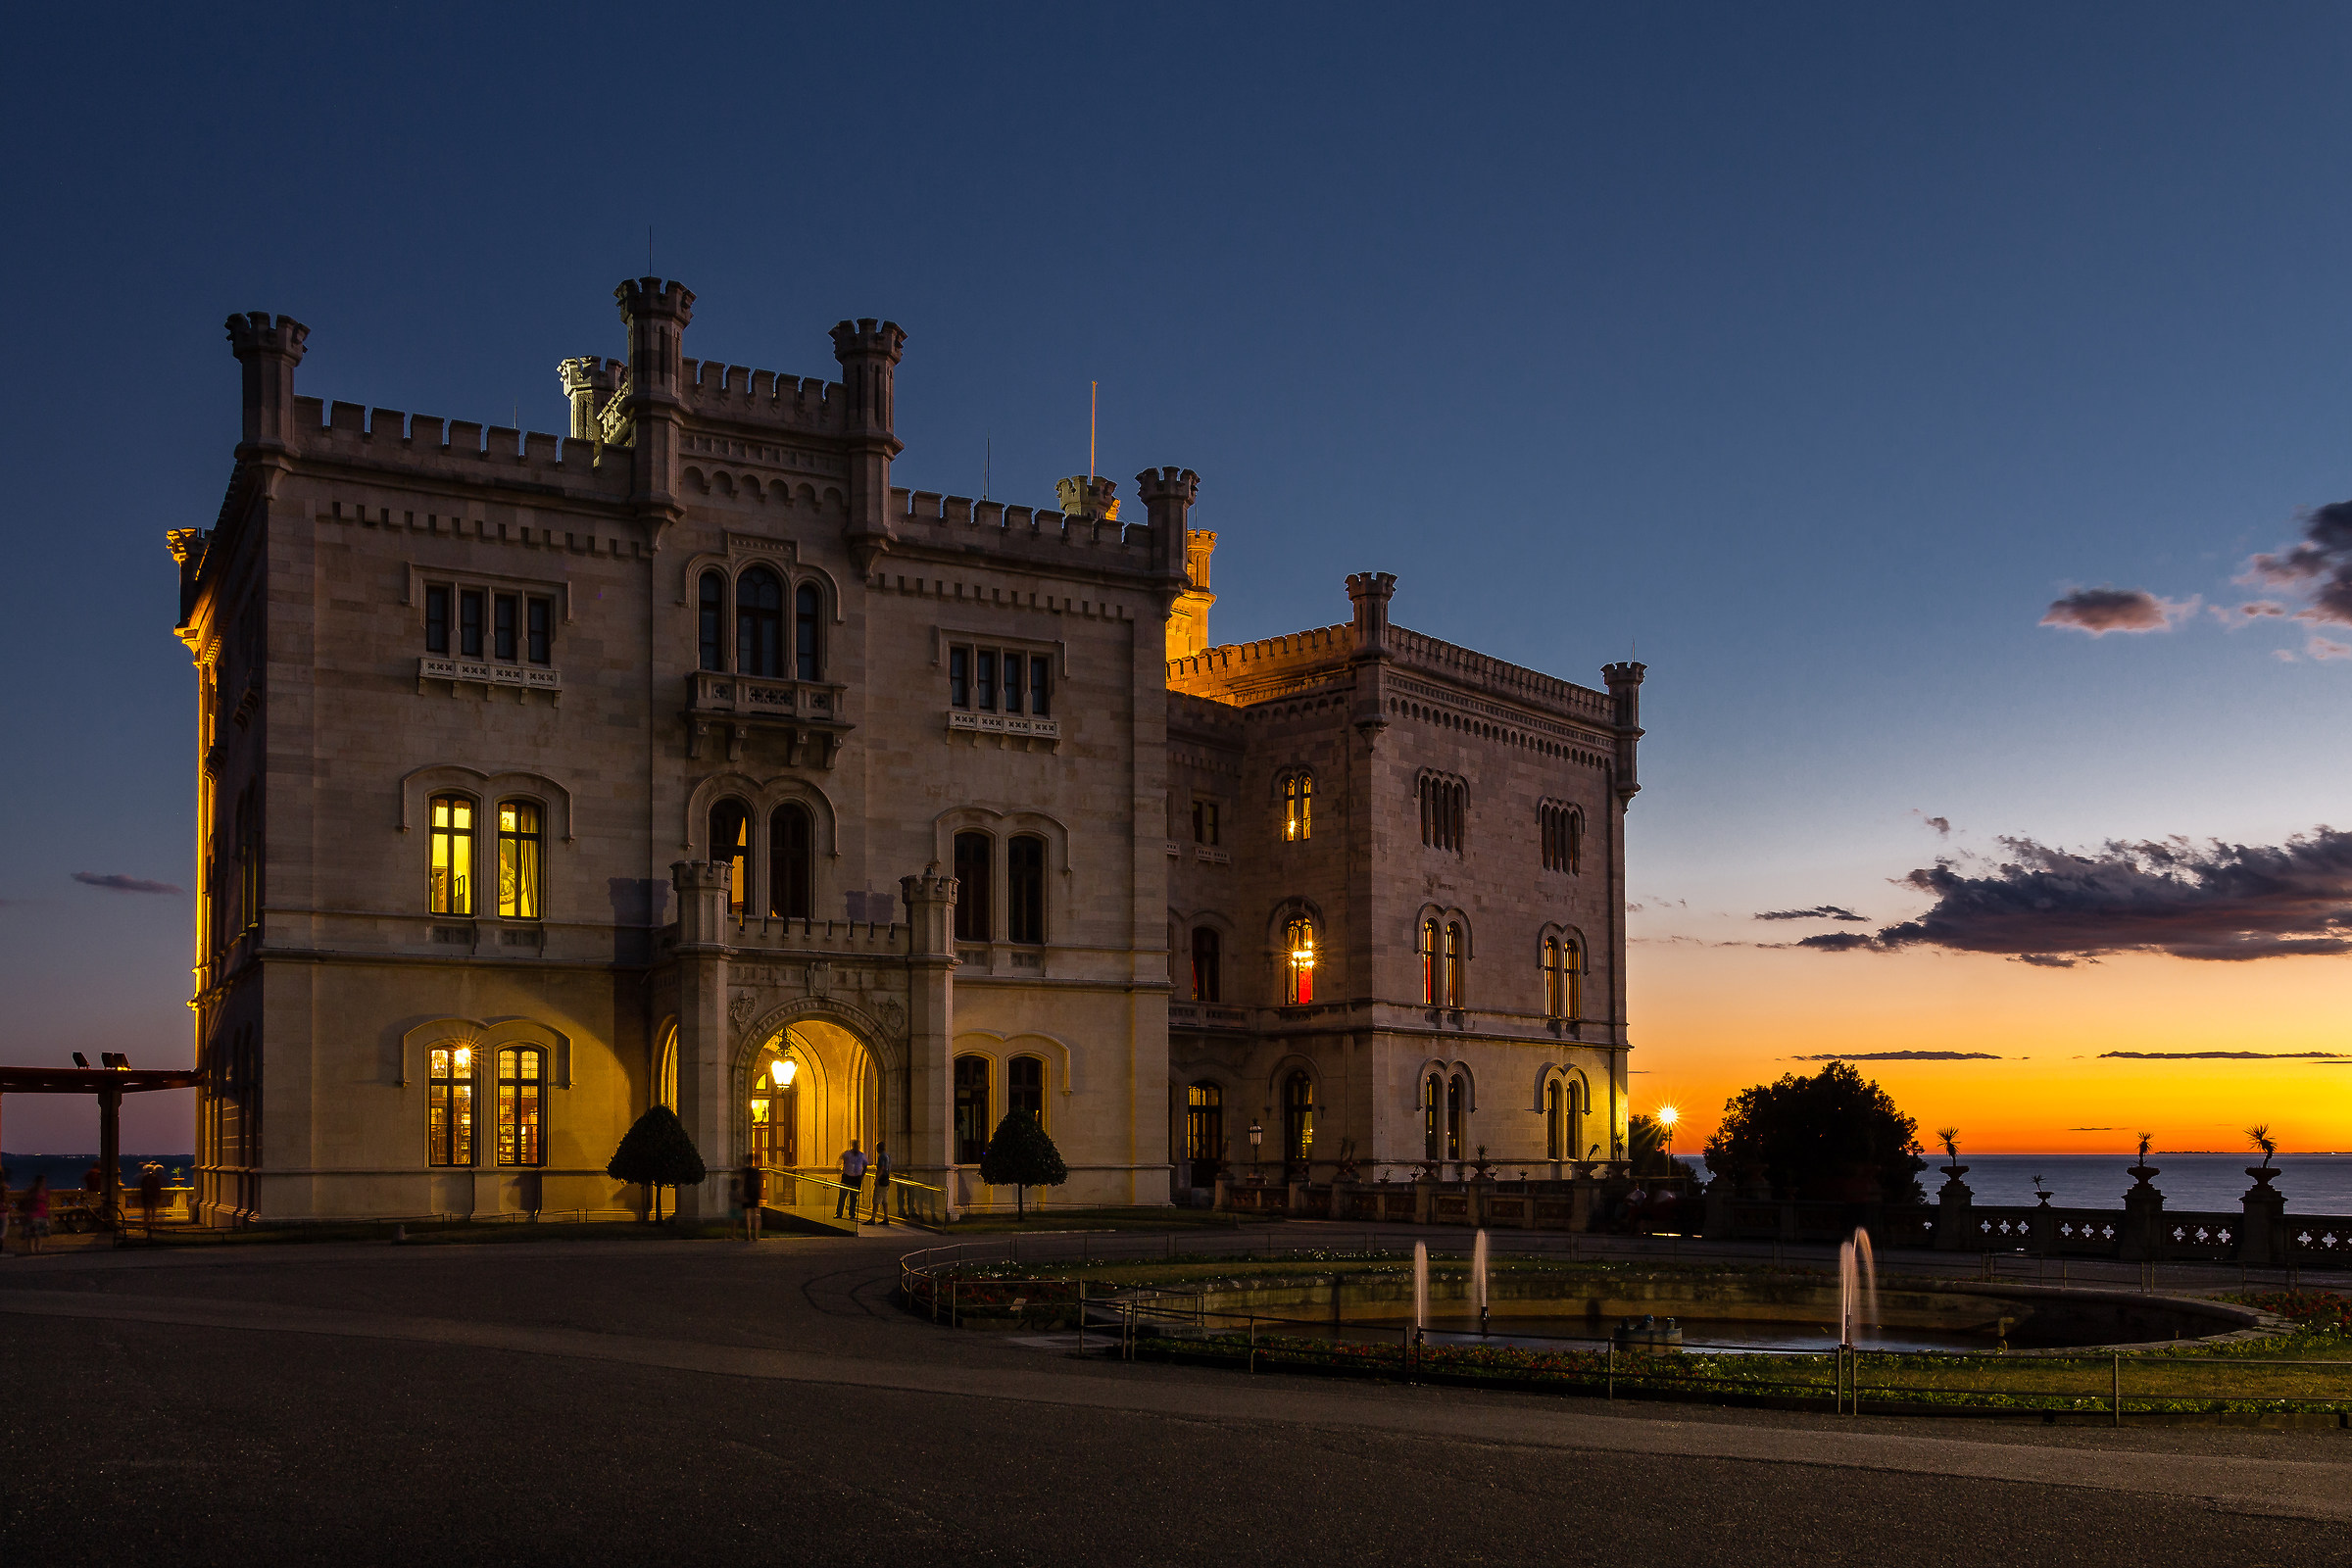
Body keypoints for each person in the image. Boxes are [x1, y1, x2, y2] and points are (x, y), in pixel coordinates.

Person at [835, 1141, 866, 1220]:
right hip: (846, 1177)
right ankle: (839, 1213)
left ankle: (852, 1213)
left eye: (857, 1145)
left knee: (854, 1197)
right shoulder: (847, 1154)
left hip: (856, 1178)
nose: (856, 1147)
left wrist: (862, 1176)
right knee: (842, 1196)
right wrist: (840, 1171)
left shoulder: (862, 1155)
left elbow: (865, 1166)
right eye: (855, 1145)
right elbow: (839, 1161)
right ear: (852, 1145)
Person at [867, 1142, 892, 1225]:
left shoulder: (881, 1156)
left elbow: (881, 1168)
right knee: (885, 1200)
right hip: (886, 1180)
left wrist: (877, 1179)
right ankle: (886, 1218)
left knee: (876, 1200)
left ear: (879, 1148)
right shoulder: (888, 1156)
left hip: (881, 1180)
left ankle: (873, 1219)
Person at [26, 1175, 50, 1256]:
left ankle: (38, 1249)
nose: (43, 1183)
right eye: (42, 1181)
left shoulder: (46, 1191)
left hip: (42, 1213)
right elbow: (28, 1201)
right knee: (33, 1233)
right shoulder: (32, 1191)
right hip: (33, 1214)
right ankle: (31, 1250)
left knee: (39, 1233)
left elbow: (47, 1203)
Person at [740, 1162, 763, 1243]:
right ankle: (756, 1235)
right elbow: (760, 1185)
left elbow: (743, 1183)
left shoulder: (747, 1175)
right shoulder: (757, 1174)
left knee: (748, 1216)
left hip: (748, 1195)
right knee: (756, 1215)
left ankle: (748, 1235)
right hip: (755, 1195)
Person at [138, 1164, 165, 1235]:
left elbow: (143, 1187)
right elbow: (157, 1188)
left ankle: (146, 1225)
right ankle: (153, 1225)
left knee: (146, 1212)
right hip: (153, 1196)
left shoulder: (145, 1177)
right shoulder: (154, 1178)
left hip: (146, 1196)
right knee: (153, 1212)